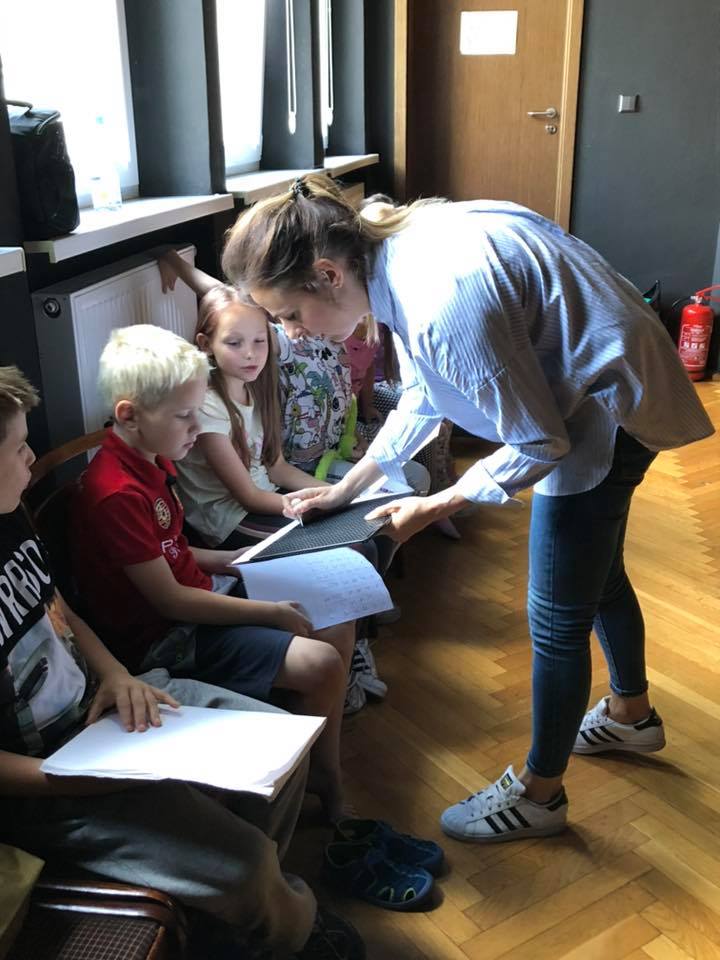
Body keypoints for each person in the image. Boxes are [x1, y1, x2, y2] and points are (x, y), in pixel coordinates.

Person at [219, 172, 715, 842]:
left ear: (328, 275)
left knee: (556, 617)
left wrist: (434, 505)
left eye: (290, 315)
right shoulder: (391, 252)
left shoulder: (439, 297)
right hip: (596, 377)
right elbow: (425, 391)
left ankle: (540, 796)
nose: (291, 332)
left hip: (608, 404)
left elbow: (540, 442)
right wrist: (346, 489)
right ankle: (631, 715)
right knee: (596, 575)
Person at [0, 365, 365, 959]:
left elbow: (57, 609)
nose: (31, 457)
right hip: (46, 784)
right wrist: (67, 776)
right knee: (244, 865)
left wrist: (115, 674)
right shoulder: (101, 491)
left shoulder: (7, 516)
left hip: (109, 705)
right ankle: (284, 923)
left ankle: (245, 923)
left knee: (284, 750)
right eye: (19, 447)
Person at [70, 325, 352, 822]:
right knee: (322, 662)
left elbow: (169, 551)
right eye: (184, 416)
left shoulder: (152, 459)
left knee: (336, 616)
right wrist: (268, 612)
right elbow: (170, 600)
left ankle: (321, 764)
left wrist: (229, 560)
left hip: (198, 600)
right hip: (166, 638)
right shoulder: (116, 491)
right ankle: (314, 773)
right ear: (129, 416)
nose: (196, 428)